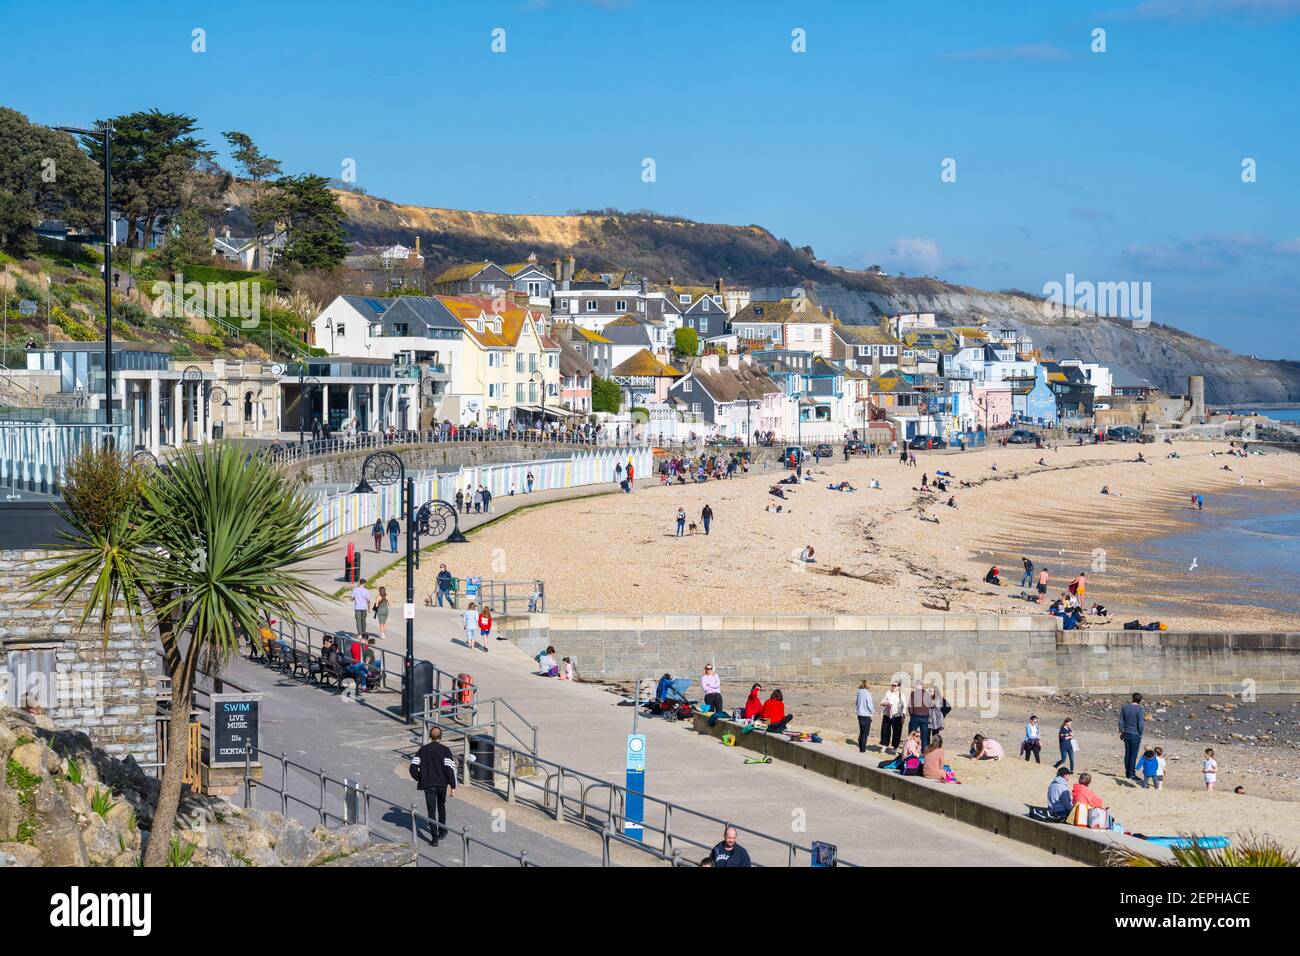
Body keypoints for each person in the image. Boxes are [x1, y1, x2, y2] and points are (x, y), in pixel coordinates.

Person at [409, 726, 457, 846]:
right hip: (442, 784)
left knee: (431, 810)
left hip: (428, 784)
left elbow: (413, 767)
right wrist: (453, 785)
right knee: (441, 806)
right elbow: (450, 769)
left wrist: (420, 778)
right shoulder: (445, 750)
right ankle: (442, 831)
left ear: (430, 736)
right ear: (441, 737)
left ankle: (434, 838)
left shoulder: (423, 750)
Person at [1119, 692, 1145, 781]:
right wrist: (1141, 733)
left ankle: (1127, 773)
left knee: (1127, 753)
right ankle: (1131, 774)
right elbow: (1140, 724)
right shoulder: (1140, 709)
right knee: (1133, 755)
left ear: (1132, 698)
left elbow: (1120, 721)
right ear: (1140, 700)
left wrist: (1121, 731)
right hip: (1135, 734)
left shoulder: (1125, 707)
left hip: (1126, 733)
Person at [879, 680, 905, 750]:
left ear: (898, 687)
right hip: (887, 715)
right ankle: (884, 745)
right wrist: (886, 703)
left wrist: (903, 717)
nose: (893, 686)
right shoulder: (888, 693)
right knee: (885, 730)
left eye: (895, 685)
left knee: (897, 732)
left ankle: (895, 747)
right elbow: (882, 702)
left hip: (897, 716)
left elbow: (904, 706)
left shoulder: (901, 695)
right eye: (892, 685)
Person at [908, 681, 935, 748]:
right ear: (922, 686)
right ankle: (924, 754)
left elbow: (910, 706)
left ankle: (911, 751)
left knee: (912, 735)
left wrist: (911, 714)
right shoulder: (927, 694)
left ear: (916, 686)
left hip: (915, 716)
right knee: (924, 737)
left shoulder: (913, 693)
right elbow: (932, 705)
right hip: (925, 717)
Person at [854, 680, 875, 753]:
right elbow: (869, 705)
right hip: (866, 715)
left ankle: (860, 747)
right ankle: (862, 750)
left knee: (861, 732)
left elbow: (856, 703)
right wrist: (872, 711)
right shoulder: (867, 694)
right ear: (867, 685)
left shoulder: (858, 692)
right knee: (865, 734)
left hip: (859, 714)